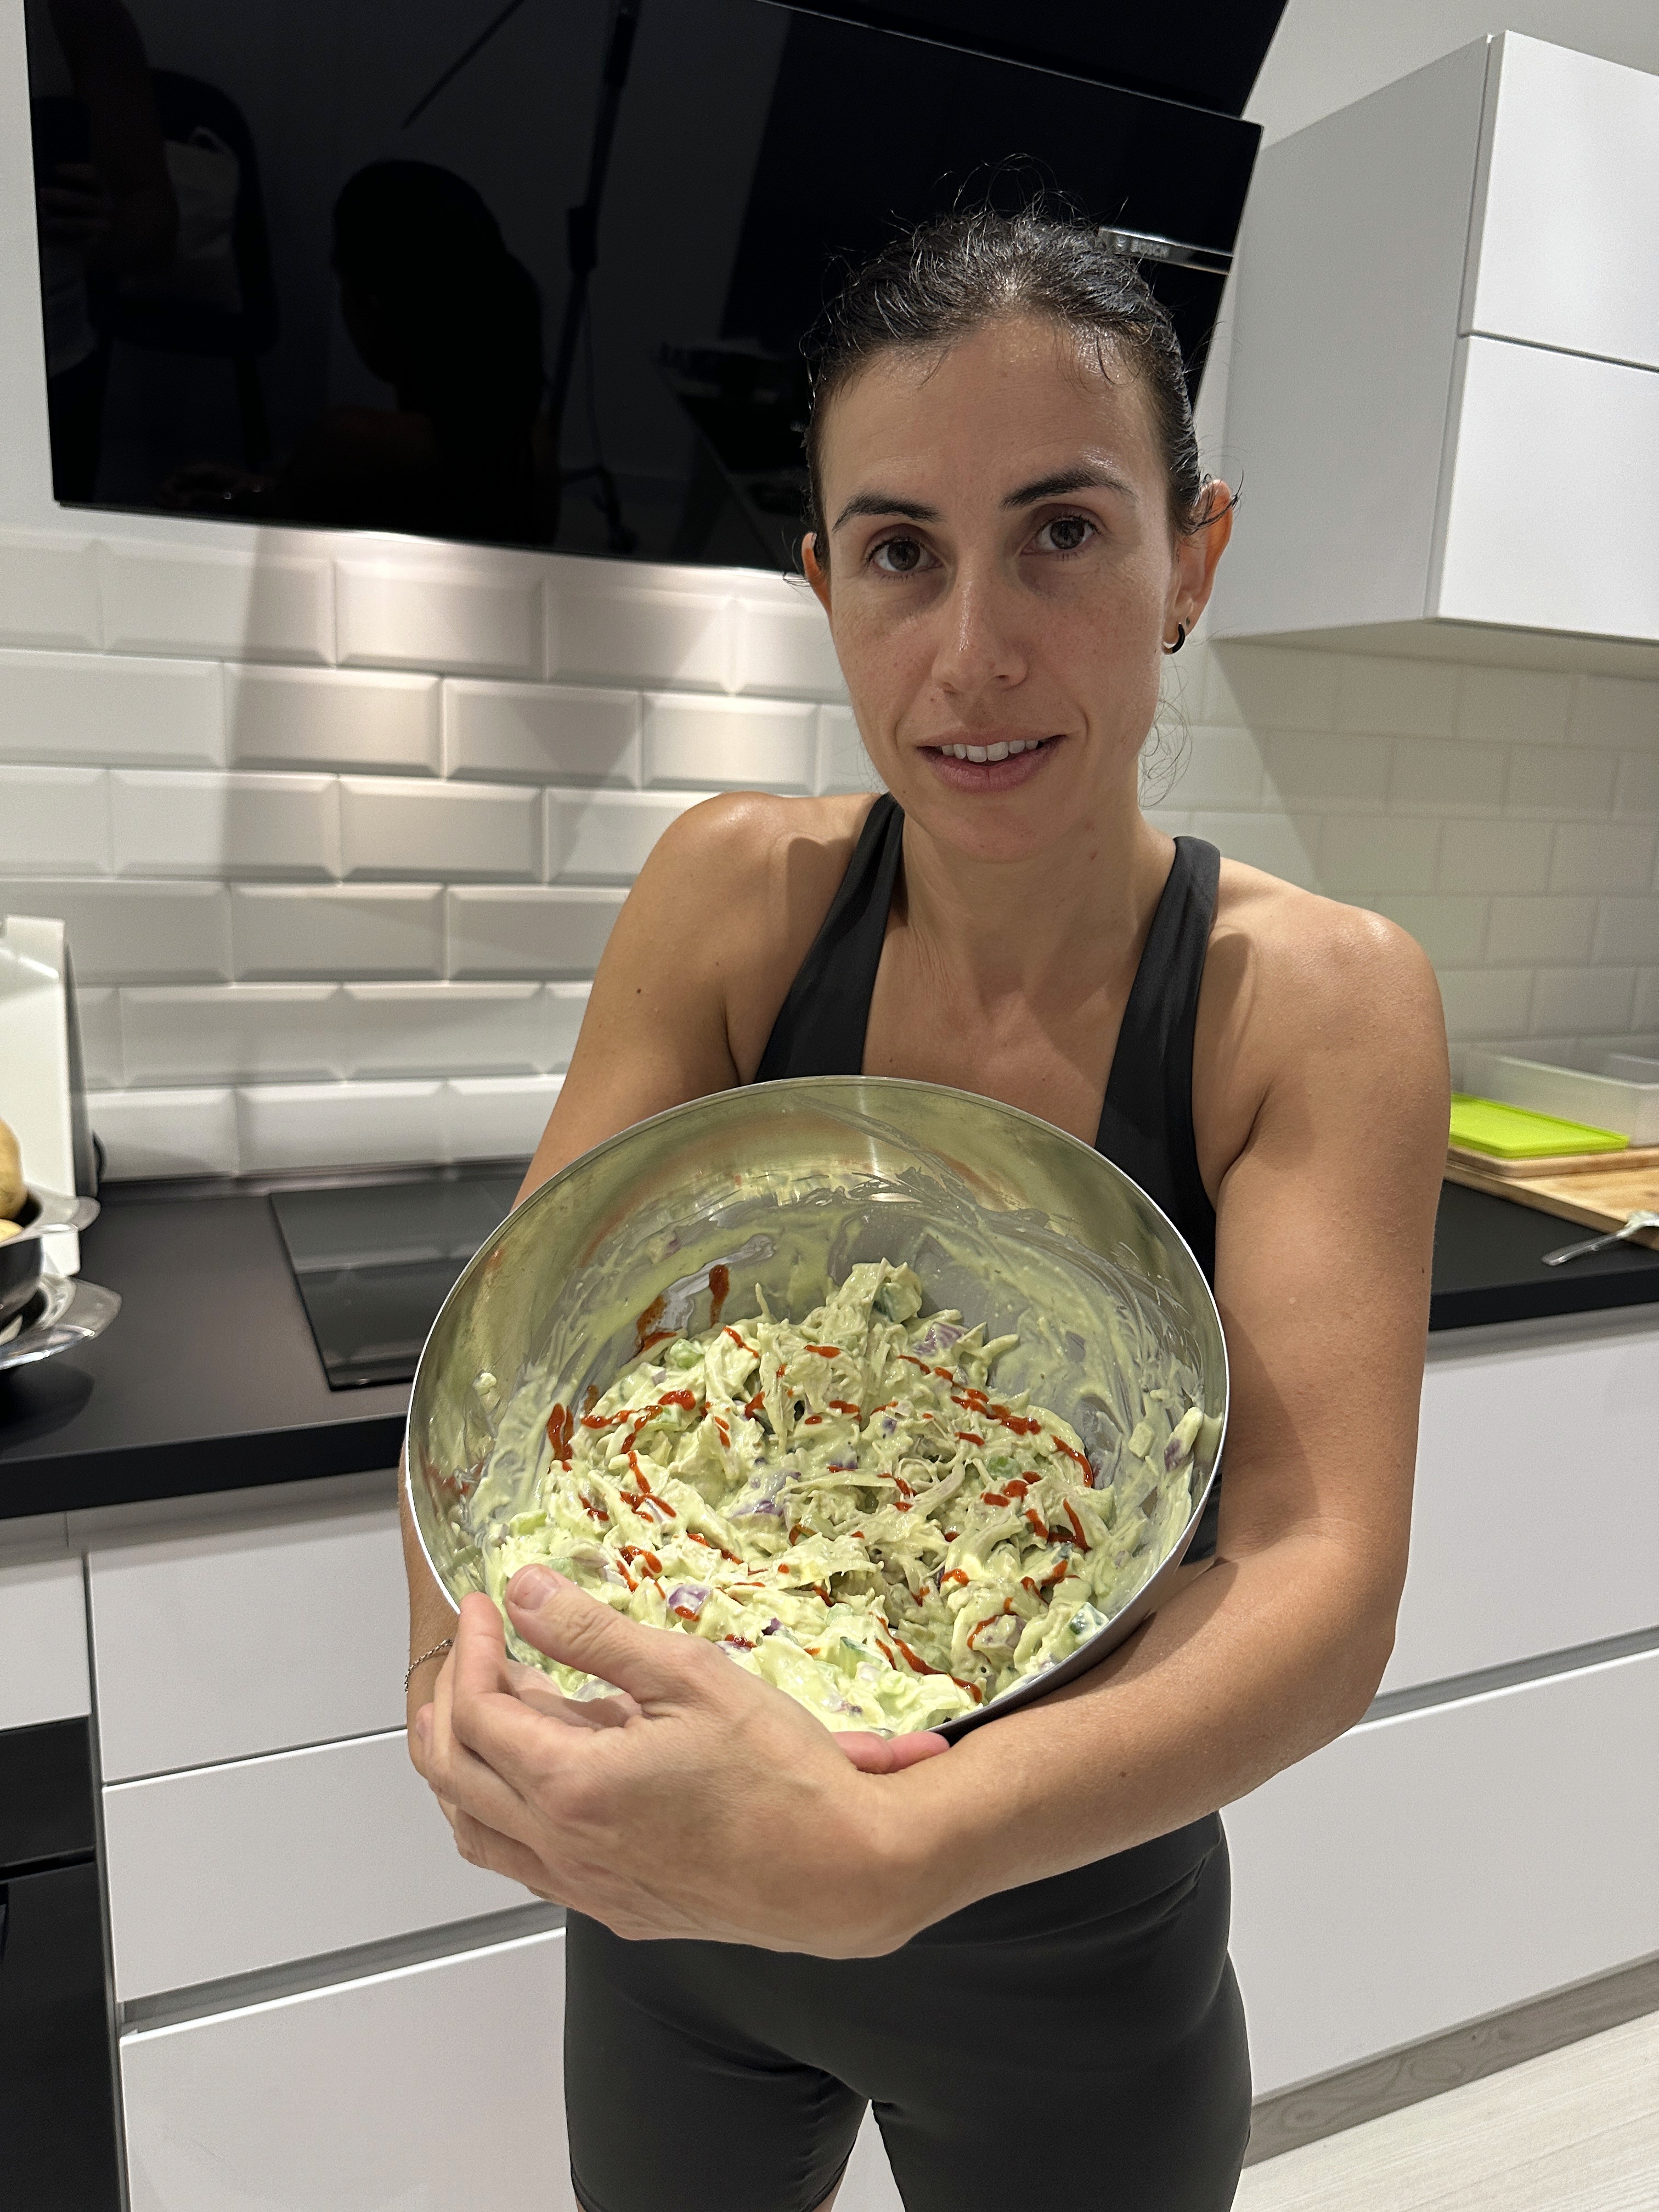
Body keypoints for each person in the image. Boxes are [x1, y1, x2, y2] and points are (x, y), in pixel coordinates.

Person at [402, 207, 1448, 2212]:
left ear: (1185, 561)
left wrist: (899, 1848)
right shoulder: (731, 898)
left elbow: (1317, 1581)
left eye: (1059, 530)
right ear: (821, 587)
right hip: (668, 1930)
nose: (970, 650)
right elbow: (490, 1392)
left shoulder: (1304, 1001)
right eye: (896, 551)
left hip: (1060, 1950)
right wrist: (450, 1703)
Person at [165, 161, 543, 541]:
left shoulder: (352, 444)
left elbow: (294, 528)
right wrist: (261, 492)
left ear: (372, 308)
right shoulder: (533, 447)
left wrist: (236, 503)